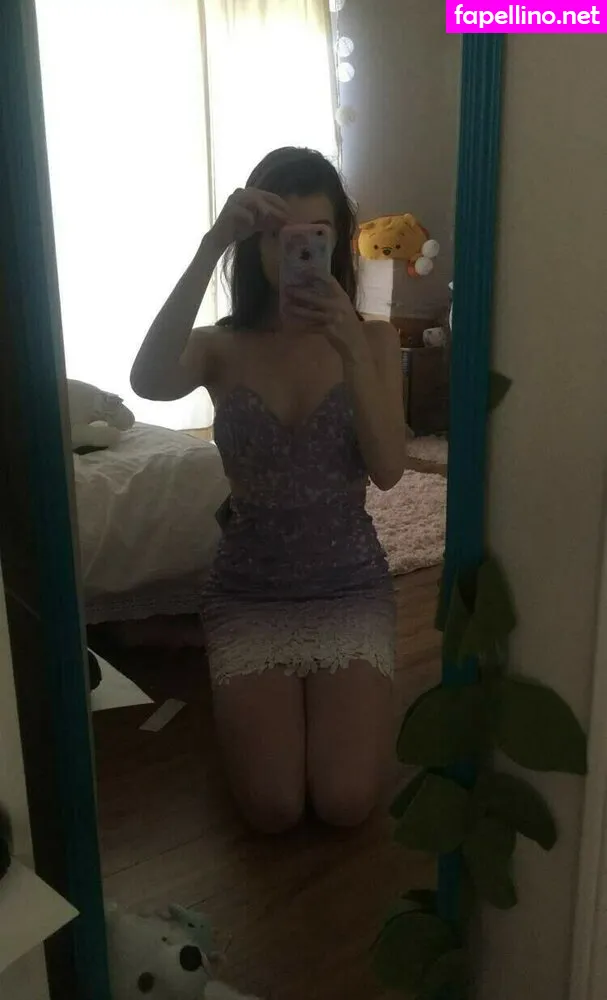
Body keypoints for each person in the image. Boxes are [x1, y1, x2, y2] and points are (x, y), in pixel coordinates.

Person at [131, 147, 407, 834]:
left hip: (348, 584)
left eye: (315, 233)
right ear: (255, 244)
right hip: (249, 589)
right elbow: (147, 380)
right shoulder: (221, 347)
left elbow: (388, 469)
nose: (296, 253)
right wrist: (208, 246)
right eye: (279, 236)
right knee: (273, 809)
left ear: (336, 241)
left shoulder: (373, 342)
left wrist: (349, 348)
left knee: (345, 801)